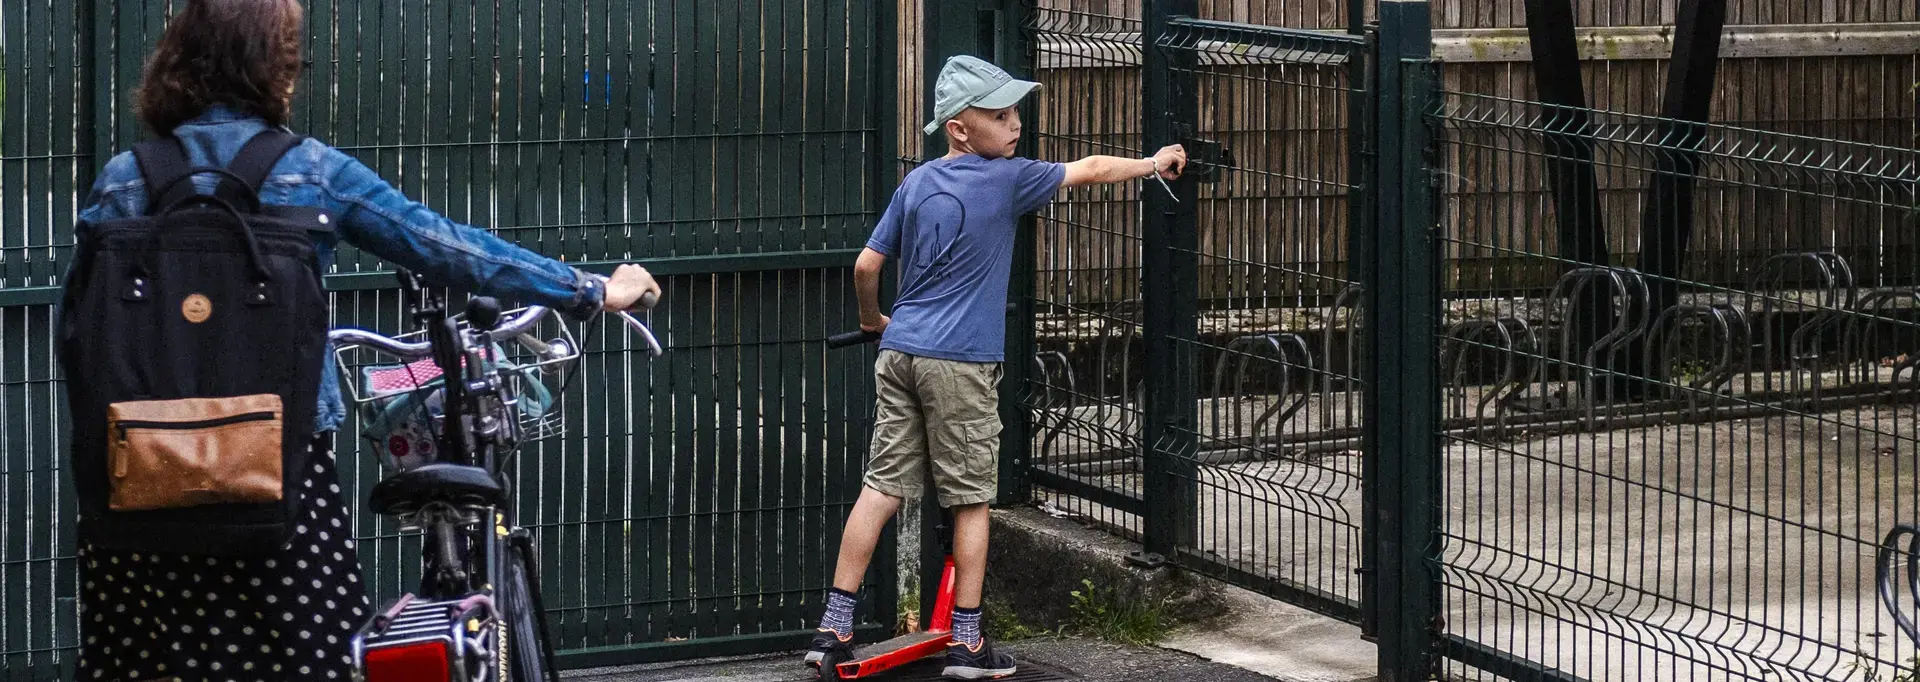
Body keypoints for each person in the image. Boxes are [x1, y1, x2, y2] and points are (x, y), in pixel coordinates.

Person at [67, 1, 660, 679]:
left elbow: (81, 335)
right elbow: (446, 248)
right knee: (306, 656)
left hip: (142, 468)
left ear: (177, 58)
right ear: (275, 67)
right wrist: (590, 289)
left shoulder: (125, 177)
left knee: (146, 662)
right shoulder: (309, 170)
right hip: (275, 468)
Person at [804, 54, 1187, 679]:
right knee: (971, 500)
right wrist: (1152, 162)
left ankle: (833, 629)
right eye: (1000, 115)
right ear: (960, 127)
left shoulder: (917, 182)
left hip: (901, 354)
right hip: (960, 365)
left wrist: (875, 323)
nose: (1014, 126)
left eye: (1015, 114)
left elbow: (866, 268)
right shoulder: (1008, 180)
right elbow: (1090, 169)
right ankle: (968, 642)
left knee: (881, 489)